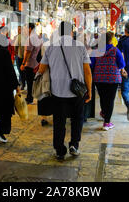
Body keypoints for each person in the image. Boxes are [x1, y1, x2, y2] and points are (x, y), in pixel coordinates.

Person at [37, 22, 92, 160]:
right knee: (77, 118)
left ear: (59, 32)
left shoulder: (51, 47)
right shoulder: (80, 47)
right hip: (77, 91)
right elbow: (87, 71)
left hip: (57, 91)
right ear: (71, 32)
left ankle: (60, 150)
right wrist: (89, 90)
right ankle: (74, 145)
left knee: (59, 121)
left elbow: (41, 69)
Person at [91, 32, 125, 131]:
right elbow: (121, 64)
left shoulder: (96, 51)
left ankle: (104, 112)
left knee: (102, 97)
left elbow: (91, 64)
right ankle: (106, 122)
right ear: (110, 40)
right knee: (110, 100)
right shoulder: (115, 50)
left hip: (99, 78)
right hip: (112, 79)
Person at [20, 23, 42, 104]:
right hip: (36, 63)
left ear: (30, 28)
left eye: (25, 28)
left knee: (29, 82)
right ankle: (31, 97)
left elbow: (28, 52)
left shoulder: (30, 38)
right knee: (32, 82)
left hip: (30, 63)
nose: (24, 30)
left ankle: (29, 98)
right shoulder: (37, 37)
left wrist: (23, 63)